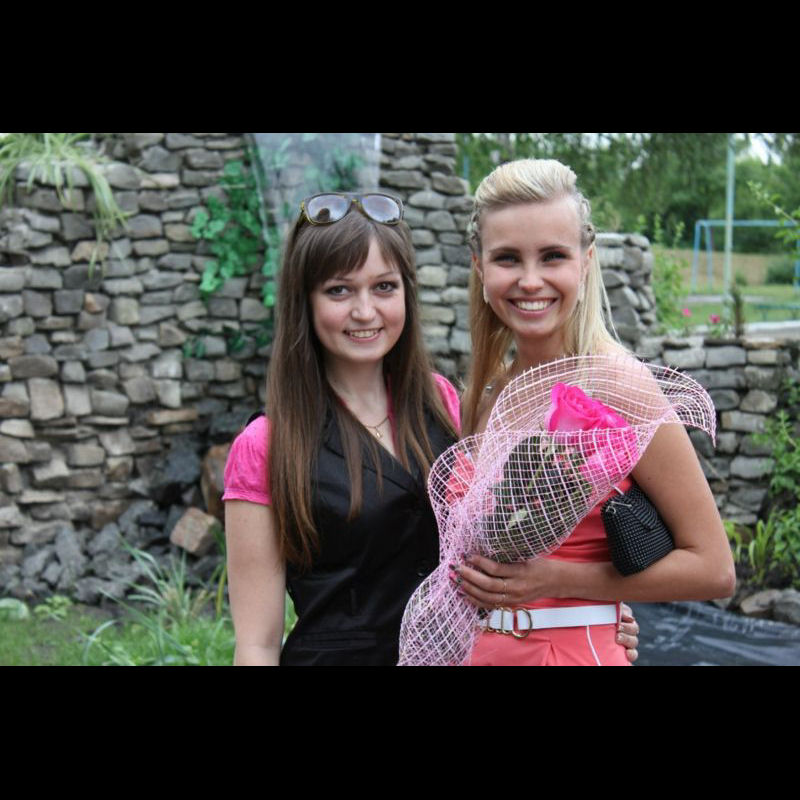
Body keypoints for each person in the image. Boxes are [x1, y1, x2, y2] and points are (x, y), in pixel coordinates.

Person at [222, 189, 642, 666]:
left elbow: (499, 548)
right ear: (305, 300)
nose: (365, 311)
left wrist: (586, 615)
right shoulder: (266, 446)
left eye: (384, 287)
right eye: (339, 290)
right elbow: (257, 644)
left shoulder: (444, 405)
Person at [451, 158, 736, 666]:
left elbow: (713, 569)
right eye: (508, 258)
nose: (530, 280)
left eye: (553, 256)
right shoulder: (488, 392)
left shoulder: (620, 385)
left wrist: (559, 580)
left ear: (585, 261)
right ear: (479, 266)